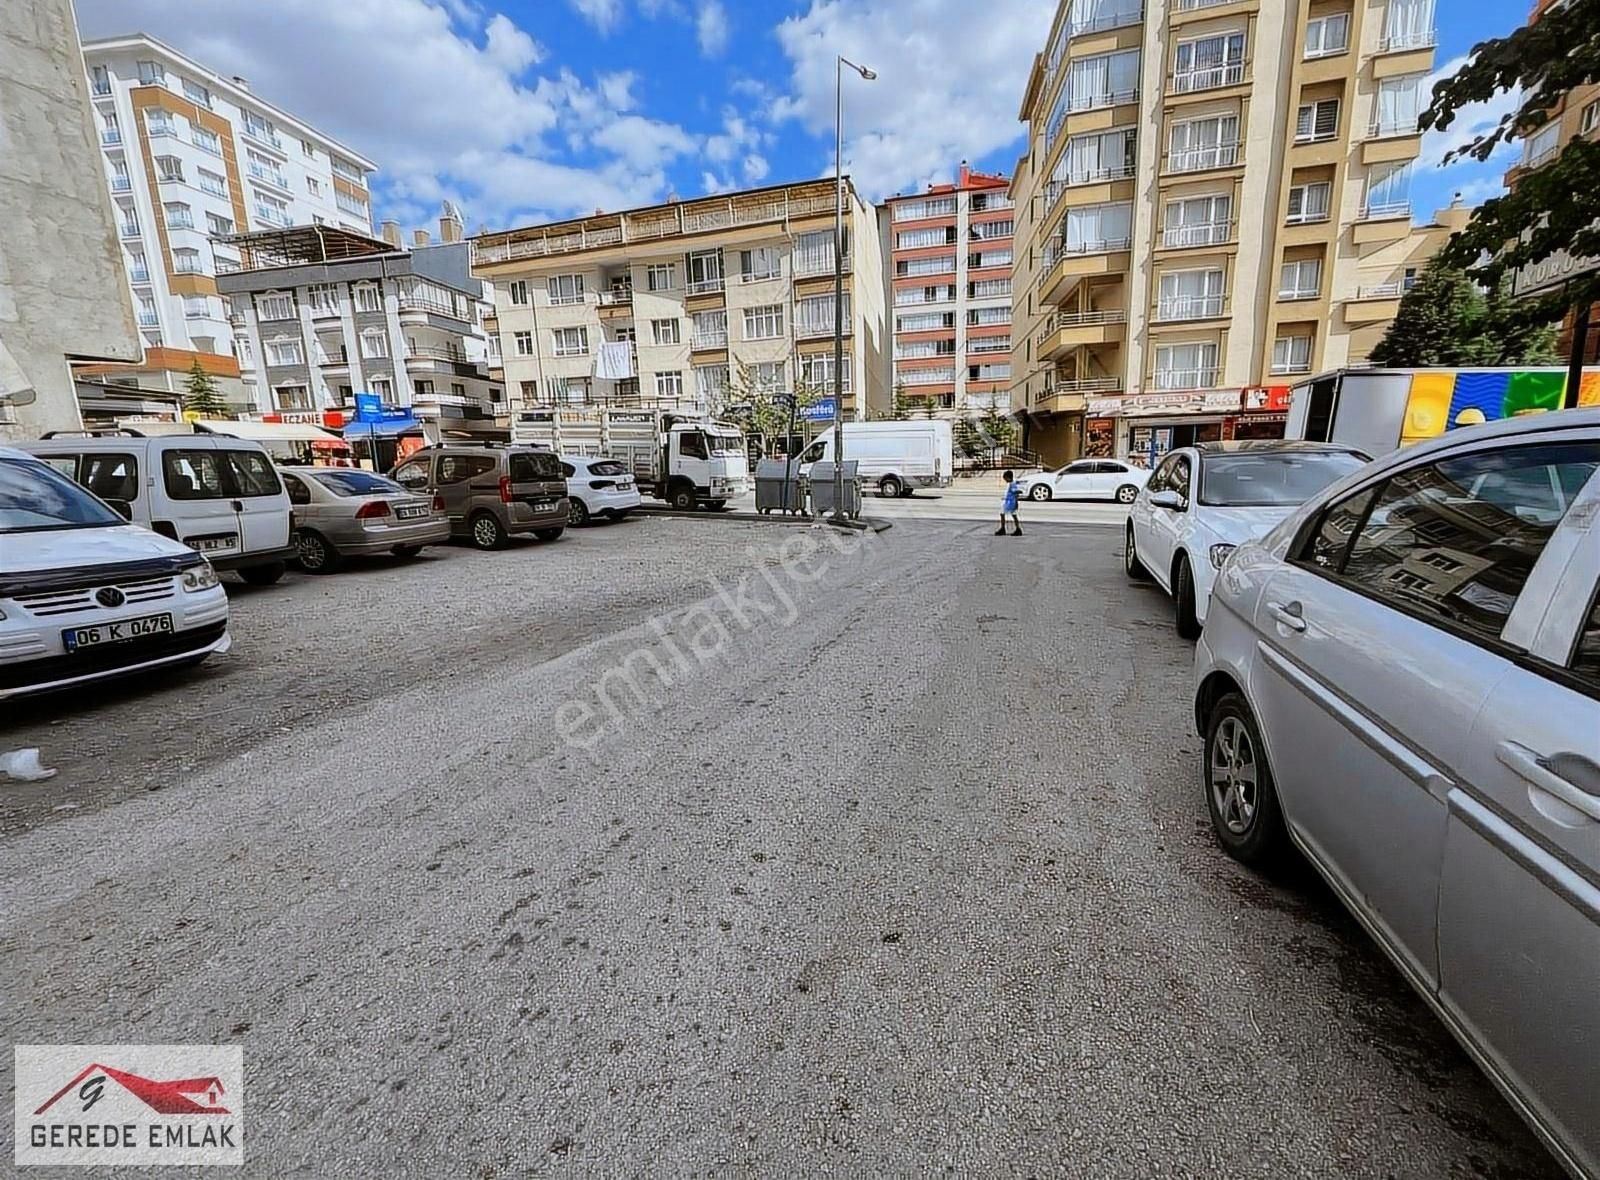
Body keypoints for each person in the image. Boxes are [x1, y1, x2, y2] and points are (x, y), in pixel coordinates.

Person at [996, 469, 1022, 536]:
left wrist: (1016, 500)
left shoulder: (1012, 484)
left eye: (1005, 478)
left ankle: (1003, 529)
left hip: (1010, 502)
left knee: (1003, 514)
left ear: (1009, 477)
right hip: (1009, 501)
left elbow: (1015, 492)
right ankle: (1017, 529)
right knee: (1012, 515)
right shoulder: (1010, 483)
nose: (1005, 480)